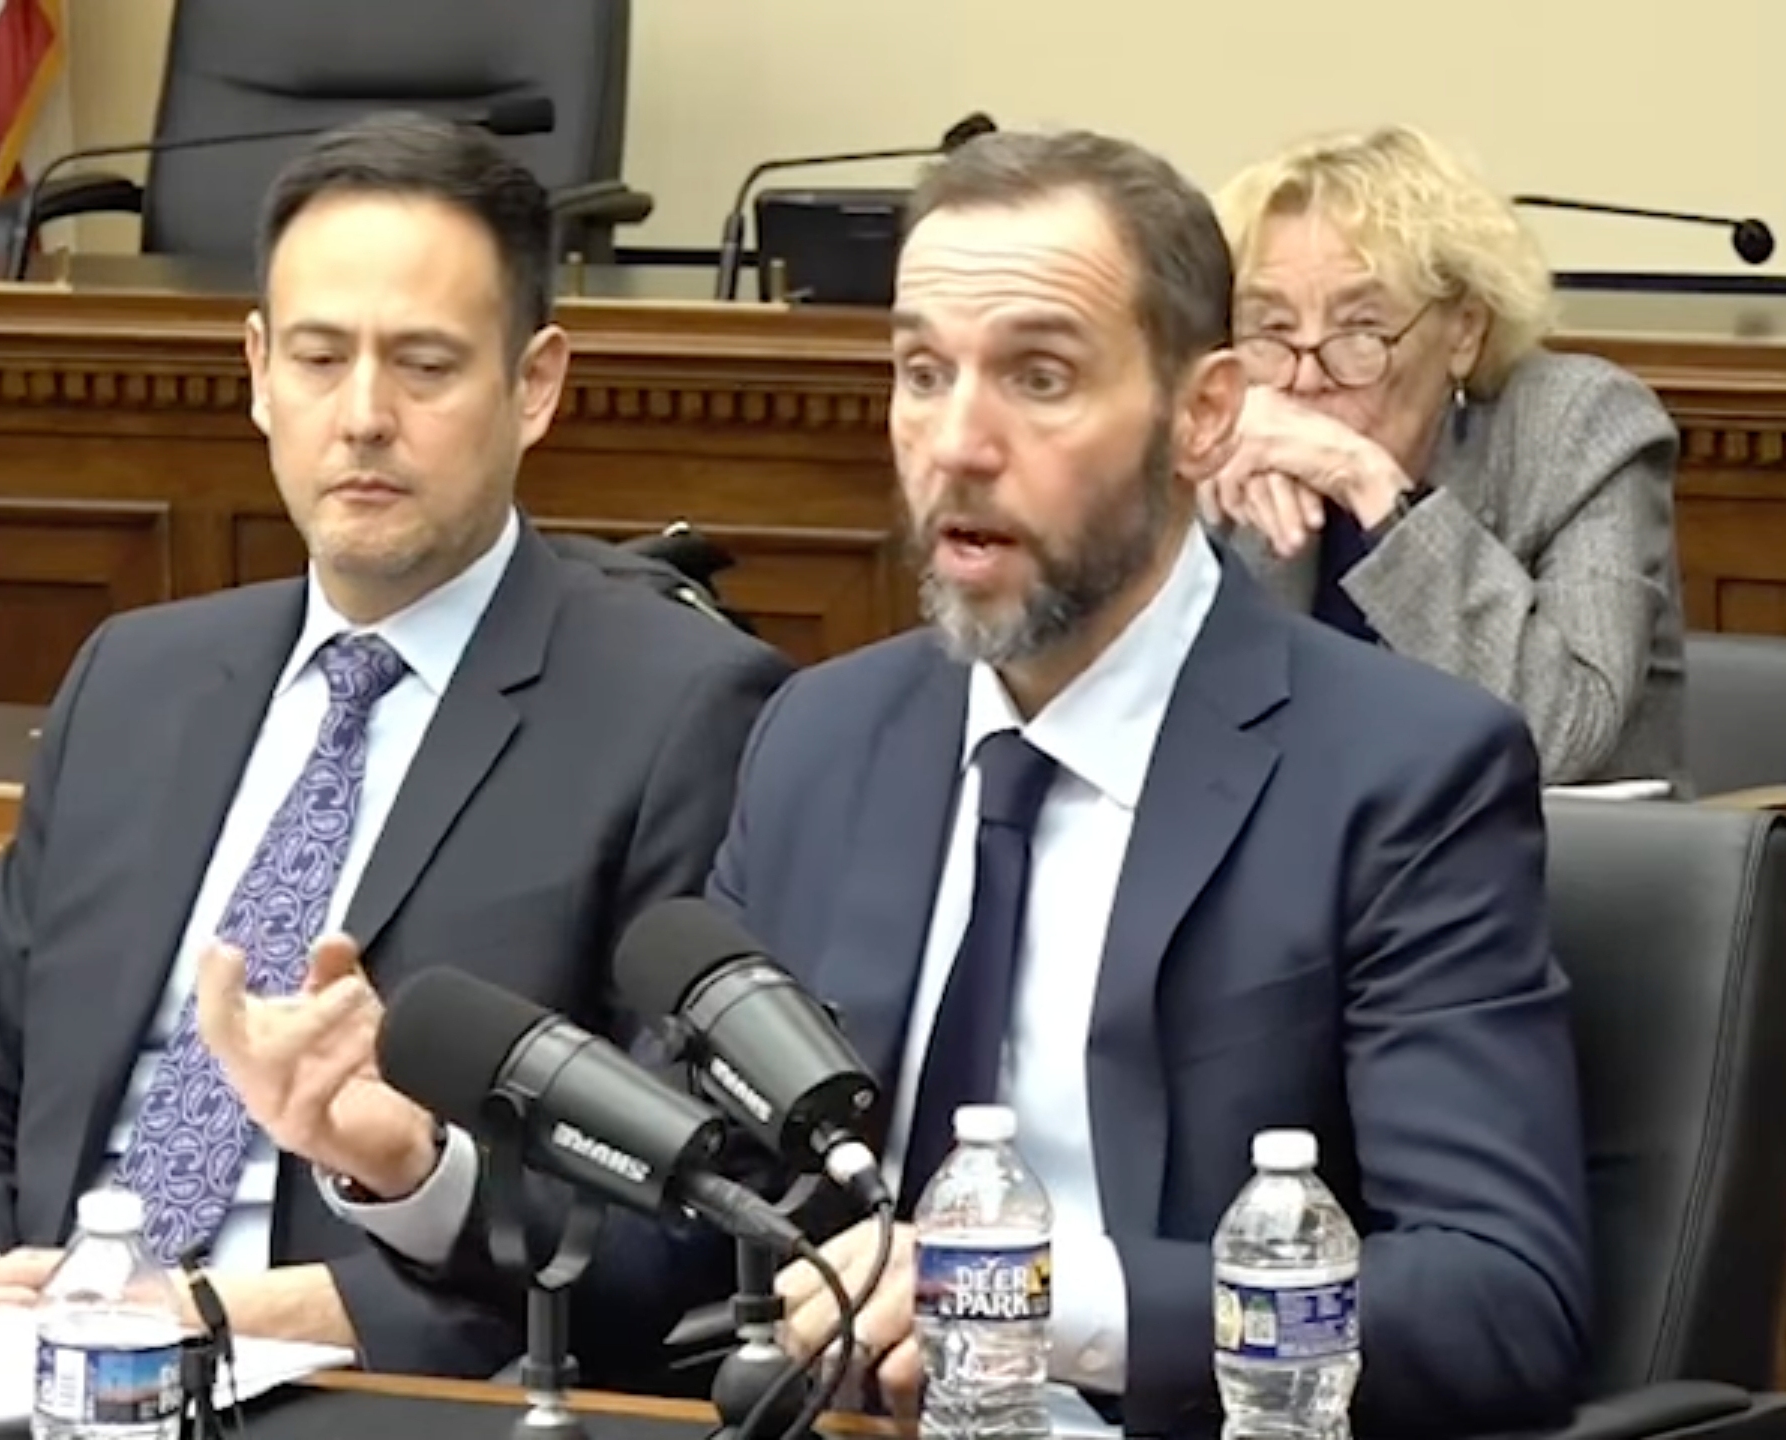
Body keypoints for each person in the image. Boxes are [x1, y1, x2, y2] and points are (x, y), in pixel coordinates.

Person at [226, 130, 1591, 1433]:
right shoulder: (827, 737)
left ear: (1204, 413)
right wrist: (415, 1164)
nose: (957, 442)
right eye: (922, 373)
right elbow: (696, 1245)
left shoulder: (1400, 771)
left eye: (1038, 377)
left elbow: (1499, 1304)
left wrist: (1027, 1299)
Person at [0, 111, 791, 1380]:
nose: (362, 417)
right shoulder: (133, 678)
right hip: (26, 1370)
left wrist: (294, 1298)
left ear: (536, 384)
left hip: (356, 1388)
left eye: (423, 364)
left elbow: (677, 1222)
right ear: (255, 371)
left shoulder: (685, 709)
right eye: (317, 357)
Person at [1202, 125, 1685, 789]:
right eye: (1272, 330)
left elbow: (1562, 733)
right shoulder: (1229, 442)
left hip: (1538, 871)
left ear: (1463, 331)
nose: (1305, 376)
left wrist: (1372, 488)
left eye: (1360, 329)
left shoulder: (1578, 425)